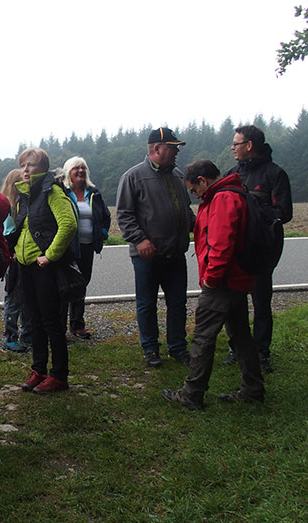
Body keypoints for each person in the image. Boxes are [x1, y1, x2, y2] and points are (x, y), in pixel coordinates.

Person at [162, 159, 264, 409]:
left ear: (203, 181)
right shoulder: (234, 193)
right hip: (237, 280)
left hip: (223, 283)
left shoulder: (222, 199)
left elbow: (221, 244)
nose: (194, 195)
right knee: (240, 336)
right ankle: (253, 389)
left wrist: (211, 279)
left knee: (202, 338)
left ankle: (192, 393)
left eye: (193, 189)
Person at [116, 127, 195, 368]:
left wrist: (202, 227)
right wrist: (140, 240)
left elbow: (186, 211)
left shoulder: (178, 176)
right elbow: (124, 215)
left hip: (175, 254)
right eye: (173, 147)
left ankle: (178, 348)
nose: (177, 151)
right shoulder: (133, 177)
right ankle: (150, 349)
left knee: (178, 302)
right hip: (147, 256)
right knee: (147, 304)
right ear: (157, 149)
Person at [222, 125, 293, 373]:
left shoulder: (275, 174)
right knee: (235, 302)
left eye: (236, 143)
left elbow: (284, 213)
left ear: (249, 145)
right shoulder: (231, 174)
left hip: (263, 251)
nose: (232, 148)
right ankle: (237, 349)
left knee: (261, 303)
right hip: (236, 251)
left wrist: (252, 212)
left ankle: (262, 353)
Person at [8, 148, 77, 394]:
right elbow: (25, 228)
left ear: (43, 168)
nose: (25, 170)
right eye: (23, 165)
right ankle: (39, 369)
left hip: (45, 267)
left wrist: (51, 255)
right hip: (26, 266)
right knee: (33, 321)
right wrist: (16, 251)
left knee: (51, 322)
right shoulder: (26, 194)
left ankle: (59, 375)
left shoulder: (52, 191)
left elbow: (68, 224)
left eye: (31, 165)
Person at [61, 156, 112, 339]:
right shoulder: (63, 193)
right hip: (67, 248)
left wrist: (103, 233)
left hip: (88, 247)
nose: (80, 171)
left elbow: (105, 216)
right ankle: (59, 325)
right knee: (65, 286)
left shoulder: (93, 193)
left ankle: (77, 324)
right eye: (76, 168)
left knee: (81, 285)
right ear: (69, 172)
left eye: (83, 168)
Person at [0, 168, 31, 352]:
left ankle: (26, 331)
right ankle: (10, 336)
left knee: (26, 296)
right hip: (13, 258)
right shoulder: (9, 207)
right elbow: (8, 233)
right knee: (13, 297)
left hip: (22, 255)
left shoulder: (20, 203)